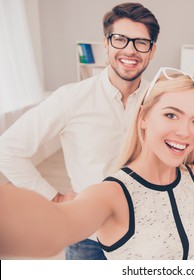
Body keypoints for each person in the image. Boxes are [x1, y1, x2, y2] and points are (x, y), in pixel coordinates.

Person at [0, 3, 159, 259]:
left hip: (145, 232)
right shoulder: (71, 98)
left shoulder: (160, 100)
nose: (130, 49)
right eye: (120, 39)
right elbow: (7, 150)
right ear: (106, 44)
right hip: (89, 236)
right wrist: (55, 198)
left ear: (152, 51)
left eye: (141, 42)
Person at [0, 67, 194, 260]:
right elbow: (57, 227)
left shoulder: (193, 177)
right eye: (171, 115)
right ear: (143, 117)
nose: (185, 132)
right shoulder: (111, 193)